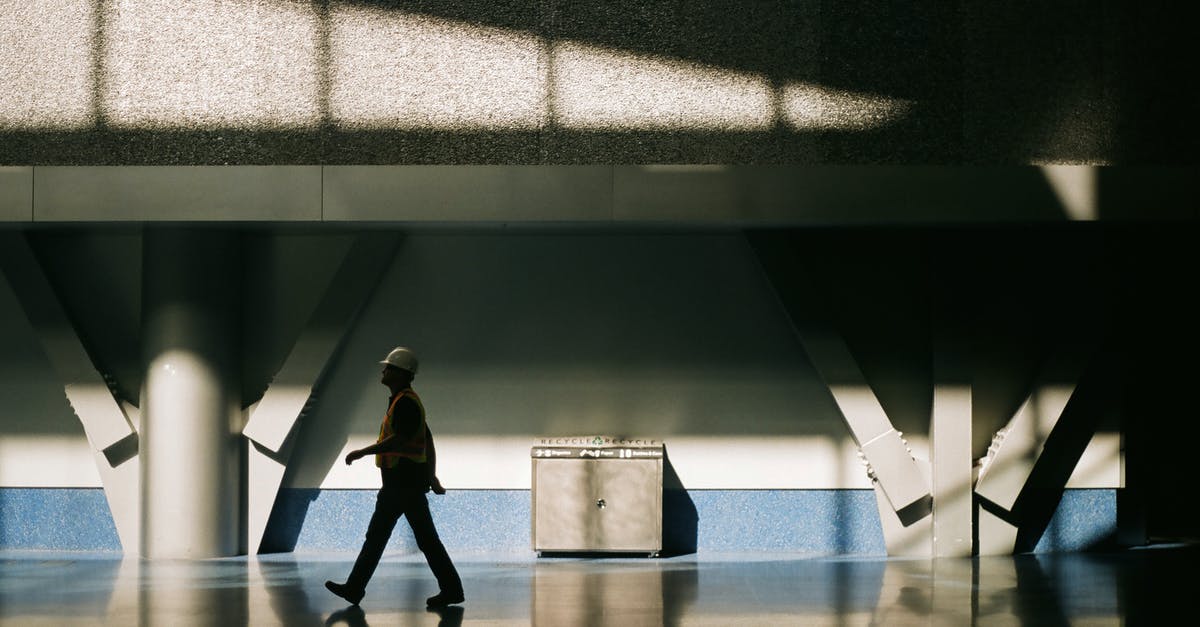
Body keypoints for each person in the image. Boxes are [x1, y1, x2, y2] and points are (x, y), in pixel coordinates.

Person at [325, 347, 464, 609]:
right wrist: (432, 476)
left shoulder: (406, 403)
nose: (383, 371)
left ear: (400, 373)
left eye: (388, 367)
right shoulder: (401, 401)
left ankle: (356, 588)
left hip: (403, 485)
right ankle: (451, 589)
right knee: (405, 539)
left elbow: (399, 440)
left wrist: (362, 452)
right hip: (401, 484)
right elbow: (427, 438)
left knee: (387, 538)